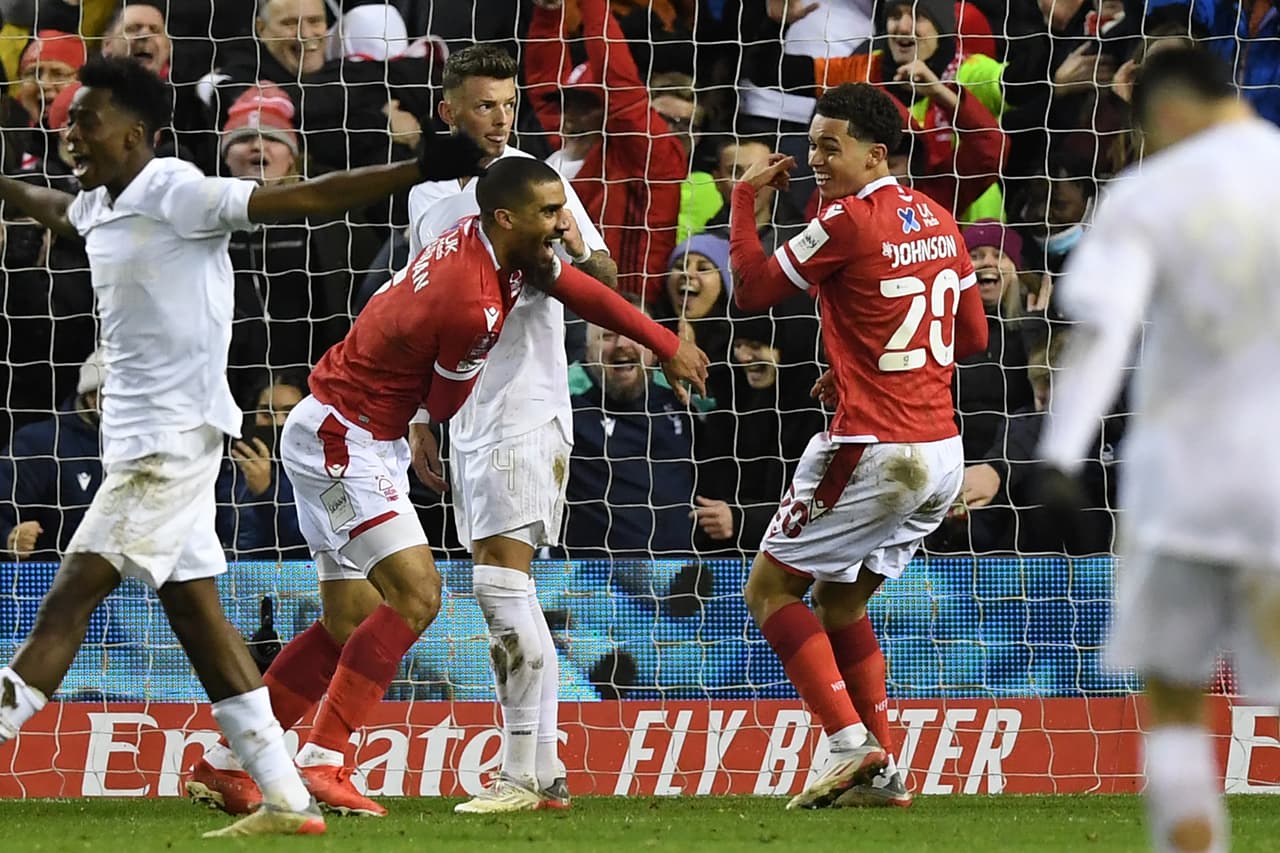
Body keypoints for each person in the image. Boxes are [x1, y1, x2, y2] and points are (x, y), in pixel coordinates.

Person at [0, 55, 486, 838]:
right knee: (200, 620)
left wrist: (417, 168)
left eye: (86, 119)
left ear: (136, 132)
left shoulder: (178, 192)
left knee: (68, 602)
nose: (71, 133)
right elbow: (54, 208)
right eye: (68, 121)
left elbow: (303, 197)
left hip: (168, 450)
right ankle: (285, 798)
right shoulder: (101, 203)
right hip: (145, 447)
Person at [185, 156, 709, 818]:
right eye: (551, 213)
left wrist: (663, 341)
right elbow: (445, 401)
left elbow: (580, 289)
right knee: (418, 594)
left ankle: (227, 763)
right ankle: (324, 759)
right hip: (343, 442)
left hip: (351, 430)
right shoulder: (474, 305)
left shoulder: (482, 238)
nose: (562, 224)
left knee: (348, 619)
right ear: (506, 218)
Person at [405, 44, 693, 815]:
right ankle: (543, 770)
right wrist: (422, 414)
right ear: (450, 112)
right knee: (503, 587)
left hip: (528, 408)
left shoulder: (539, 184)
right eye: (484, 105)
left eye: (509, 104)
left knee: (500, 585)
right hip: (465, 411)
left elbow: (603, 281)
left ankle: (526, 771)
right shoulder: (428, 200)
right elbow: (423, 312)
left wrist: (565, 244)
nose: (500, 119)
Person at [1039, 46, 1280, 853]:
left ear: (1167, 112)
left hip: (1182, 488)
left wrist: (1061, 453)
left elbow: (1103, 332)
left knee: (1176, 700)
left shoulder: (1149, 192)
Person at [727, 82, 988, 810]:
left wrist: (745, 200)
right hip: (940, 454)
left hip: (875, 447)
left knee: (769, 589)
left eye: (828, 146)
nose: (814, 158)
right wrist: (856, 363)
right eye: (811, 143)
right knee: (839, 602)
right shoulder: (939, 216)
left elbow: (750, 288)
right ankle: (883, 774)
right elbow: (971, 336)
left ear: (876, 154)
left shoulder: (847, 219)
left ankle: (848, 745)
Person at [0, 350, 105, 563]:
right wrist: (9, 537)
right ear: (92, 397)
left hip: (143, 578)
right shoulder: (40, 443)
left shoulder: (158, 446)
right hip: (59, 577)